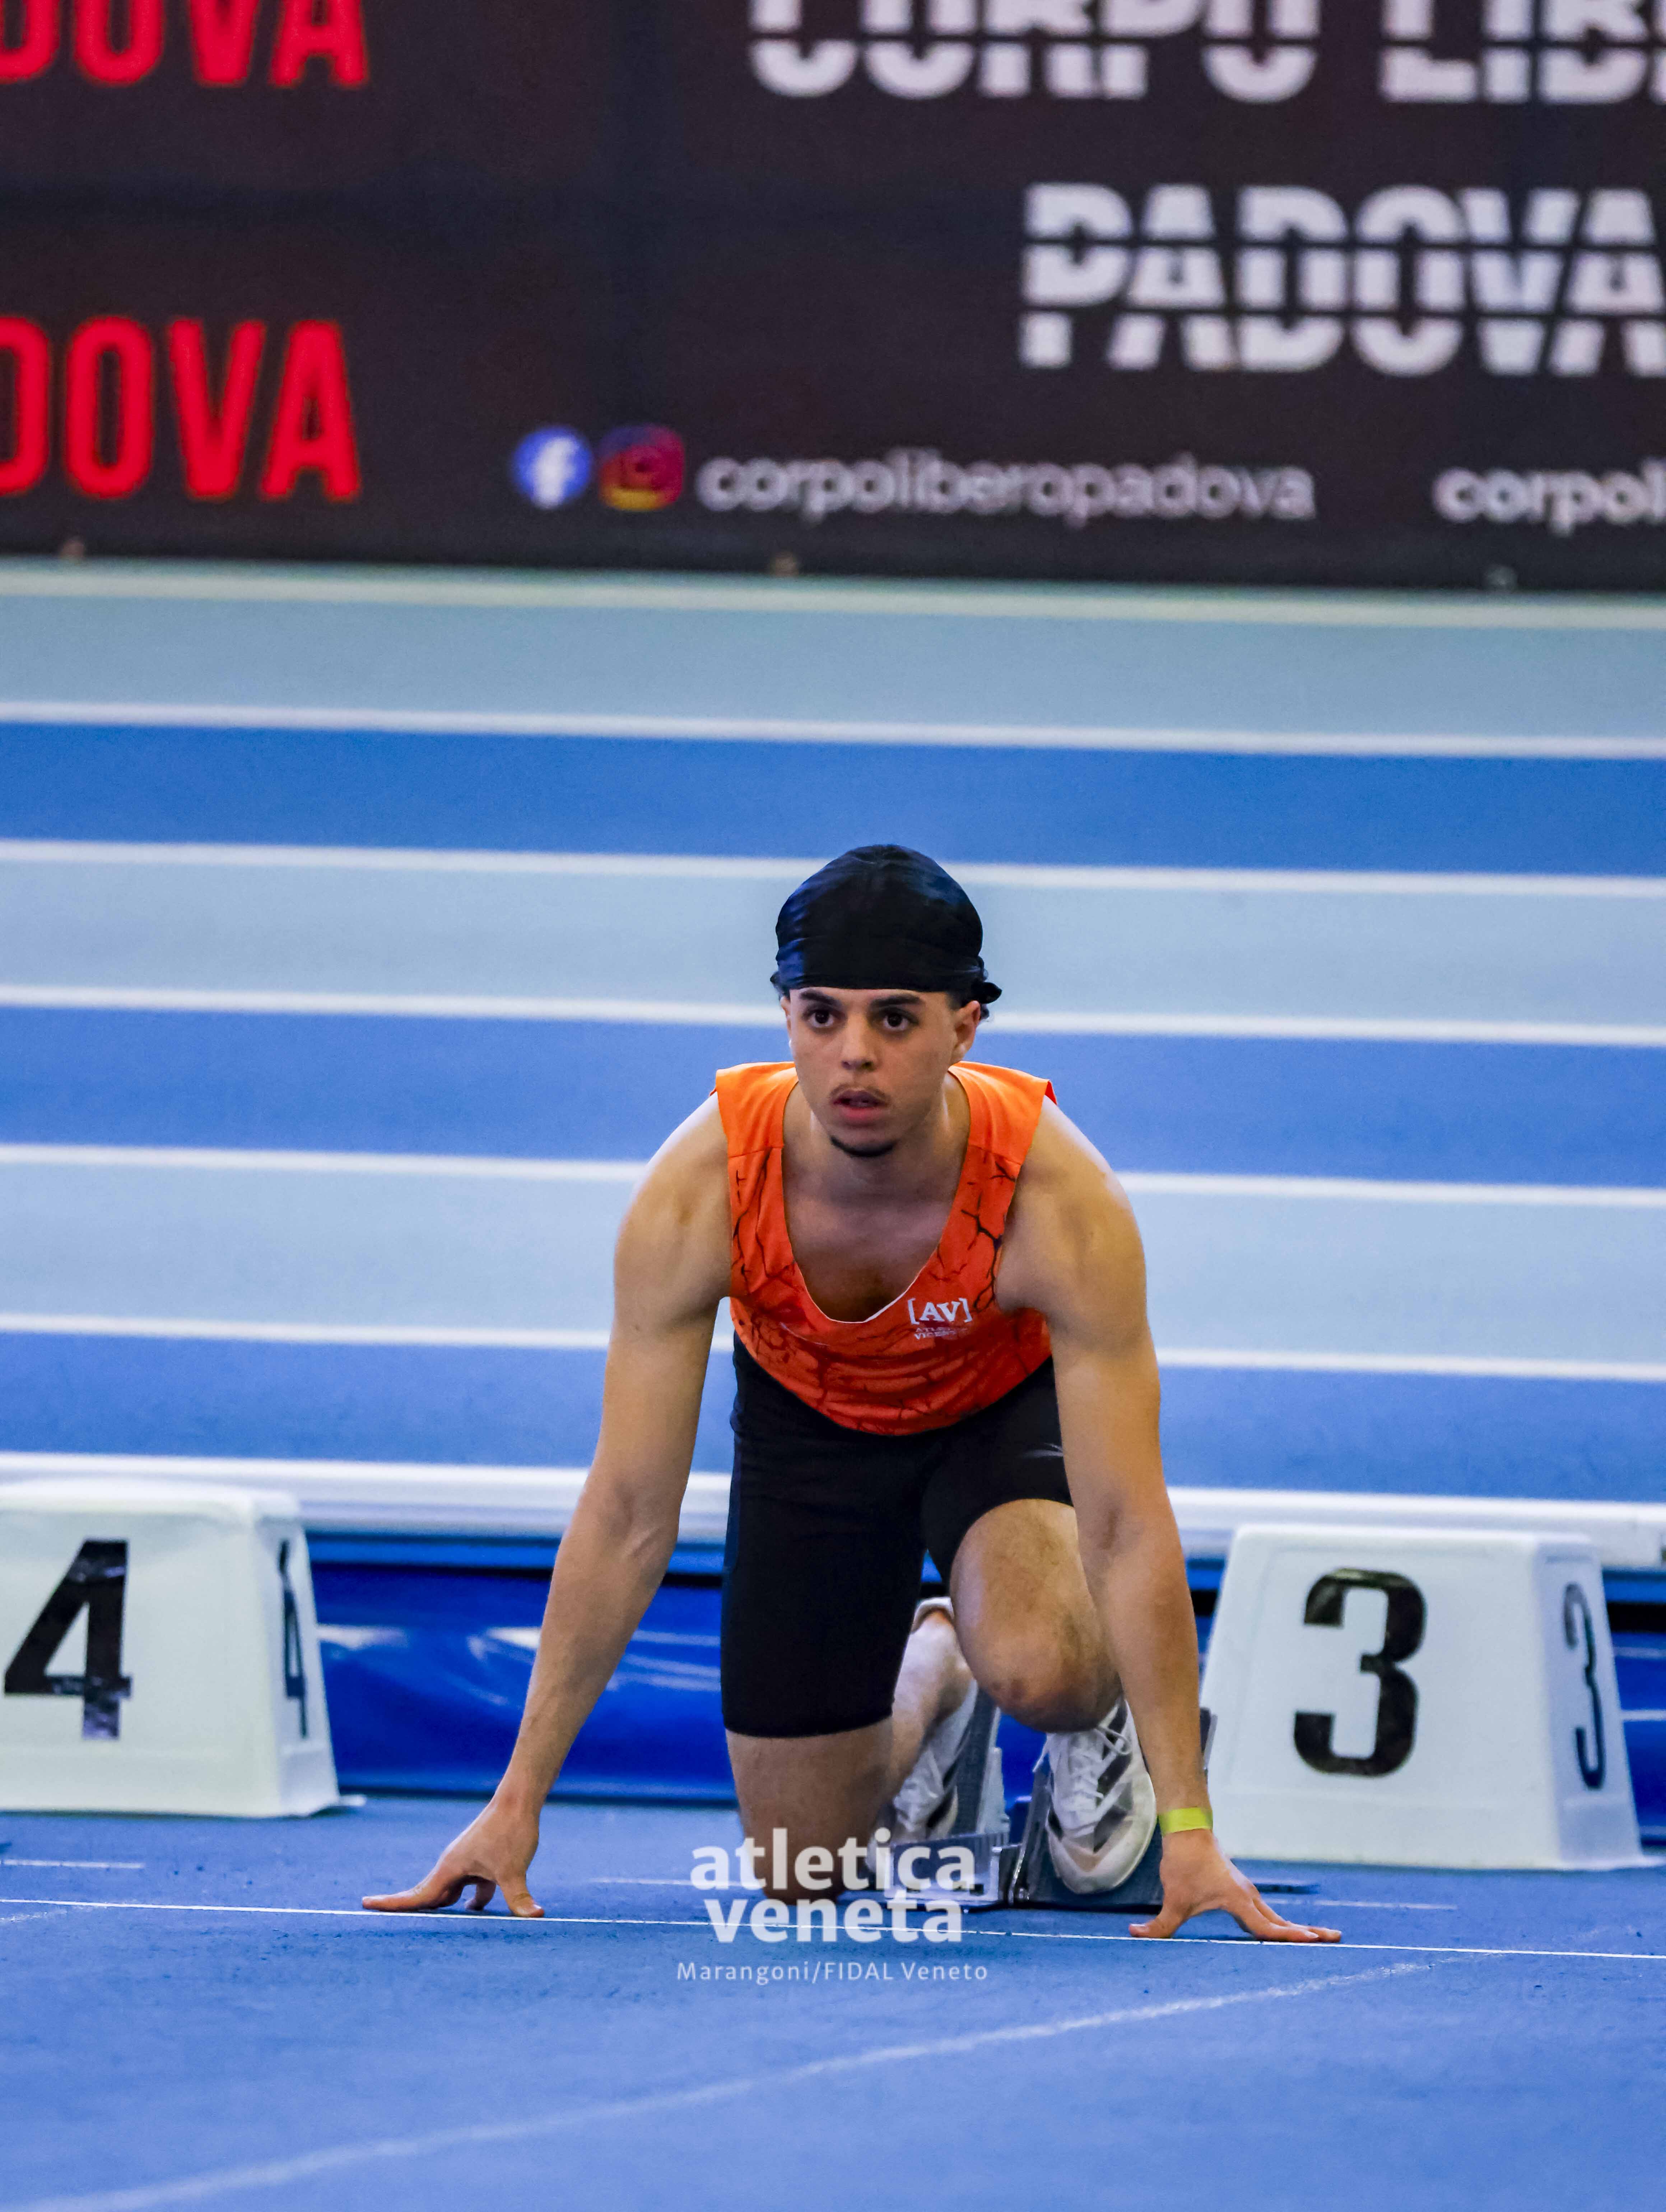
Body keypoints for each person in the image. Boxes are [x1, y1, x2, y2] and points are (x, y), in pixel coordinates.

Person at [365, 845, 1338, 1942]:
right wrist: (515, 1801)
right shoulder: (699, 1193)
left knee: (1044, 1666)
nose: (855, 1056)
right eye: (822, 1016)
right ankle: (942, 1671)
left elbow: (1125, 1523)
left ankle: (1083, 1710)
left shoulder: (1059, 1202)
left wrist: (1191, 1826)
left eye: (896, 1020)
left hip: (992, 1413)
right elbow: (630, 1512)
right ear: (784, 1016)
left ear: (966, 1027)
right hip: (812, 1431)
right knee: (800, 1871)